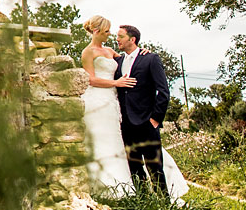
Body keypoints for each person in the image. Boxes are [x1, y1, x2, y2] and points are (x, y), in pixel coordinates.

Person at [80, 16, 188, 199]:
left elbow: (160, 88)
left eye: (119, 35)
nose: (113, 36)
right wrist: (116, 82)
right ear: (97, 31)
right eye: (108, 32)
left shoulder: (117, 54)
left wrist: (155, 119)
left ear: (132, 39)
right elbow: (91, 78)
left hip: (137, 116)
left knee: (154, 163)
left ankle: (164, 201)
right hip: (110, 108)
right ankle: (138, 196)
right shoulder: (90, 53)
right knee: (129, 159)